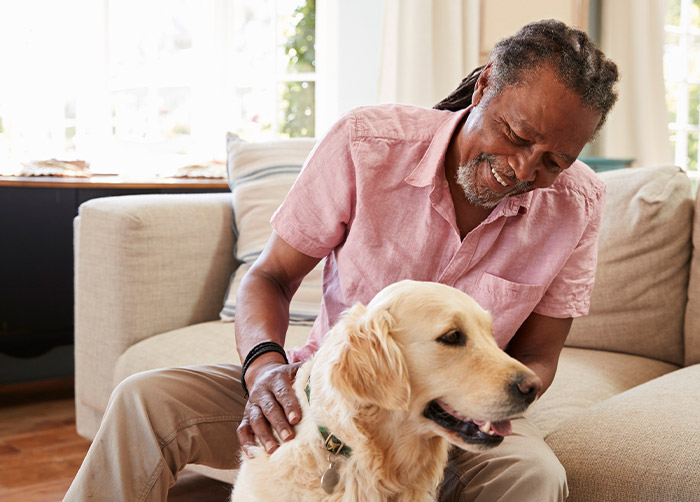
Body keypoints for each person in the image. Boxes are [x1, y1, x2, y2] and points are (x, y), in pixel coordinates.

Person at [65, 19, 619, 502]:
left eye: (554, 161)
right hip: (328, 387)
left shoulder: (578, 205)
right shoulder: (366, 144)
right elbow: (272, 277)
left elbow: (539, 356)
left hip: (458, 416)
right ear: (482, 90)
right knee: (145, 400)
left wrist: (473, 411)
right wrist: (264, 371)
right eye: (516, 135)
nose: (523, 171)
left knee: (534, 476)